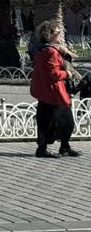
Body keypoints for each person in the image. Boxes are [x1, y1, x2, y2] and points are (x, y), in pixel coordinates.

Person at [30, 19, 80, 158]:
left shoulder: (41, 49)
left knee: (55, 120)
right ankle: (45, 148)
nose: (60, 35)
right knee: (58, 121)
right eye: (58, 33)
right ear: (49, 35)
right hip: (53, 93)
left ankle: (63, 146)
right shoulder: (50, 52)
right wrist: (68, 74)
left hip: (47, 92)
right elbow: (54, 74)